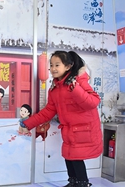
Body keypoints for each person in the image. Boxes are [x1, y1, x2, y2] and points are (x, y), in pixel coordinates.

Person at [19, 50, 102, 187]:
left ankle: (83, 183)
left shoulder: (79, 81)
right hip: (69, 130)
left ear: (68, 66)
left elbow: (93, 102)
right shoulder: (55, 88)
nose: (53, 69)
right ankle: (73, 182)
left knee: (75, 158)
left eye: (57, 65)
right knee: (68, 156)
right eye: (51, 65)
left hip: (84, 130)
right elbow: (48, 111)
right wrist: (28, 123)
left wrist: (75, 88)